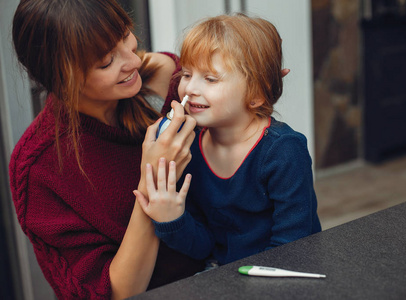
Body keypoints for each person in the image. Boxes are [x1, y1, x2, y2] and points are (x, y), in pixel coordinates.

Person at [8, 0, 204, 299]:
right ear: (63, 77)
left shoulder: (163, 78)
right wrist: (154, 180)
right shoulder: (40, 168)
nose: (133, 61)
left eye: (125, 34)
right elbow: (114, 293)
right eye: (106, 61)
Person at [135, 13, 322, 267]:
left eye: (210, 79)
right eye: (187, 74)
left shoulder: (284, 152)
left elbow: (294, 248)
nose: (190, 89)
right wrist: (172, 219)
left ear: (256, 94)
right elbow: (204, 248)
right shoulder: (188, 149)